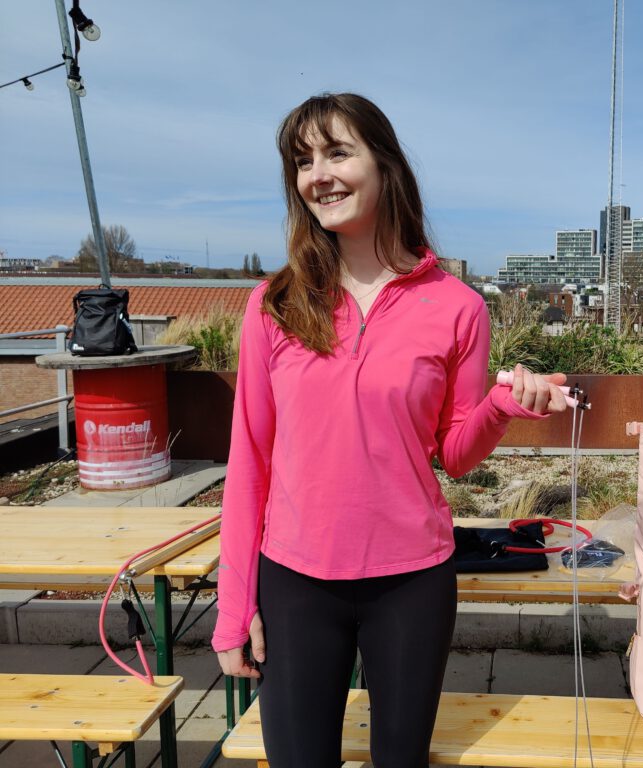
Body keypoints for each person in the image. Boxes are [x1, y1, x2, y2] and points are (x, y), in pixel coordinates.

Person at [212, 92, 569, 768]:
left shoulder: (458, 308)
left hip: (412, 582)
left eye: (337, 152)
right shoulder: (276, 304)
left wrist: (501, 408)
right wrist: (234, 607)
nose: (318, 174)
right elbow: (249, 459)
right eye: (302, 161)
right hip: (294, 581)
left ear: (385, 165)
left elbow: (455, 454)